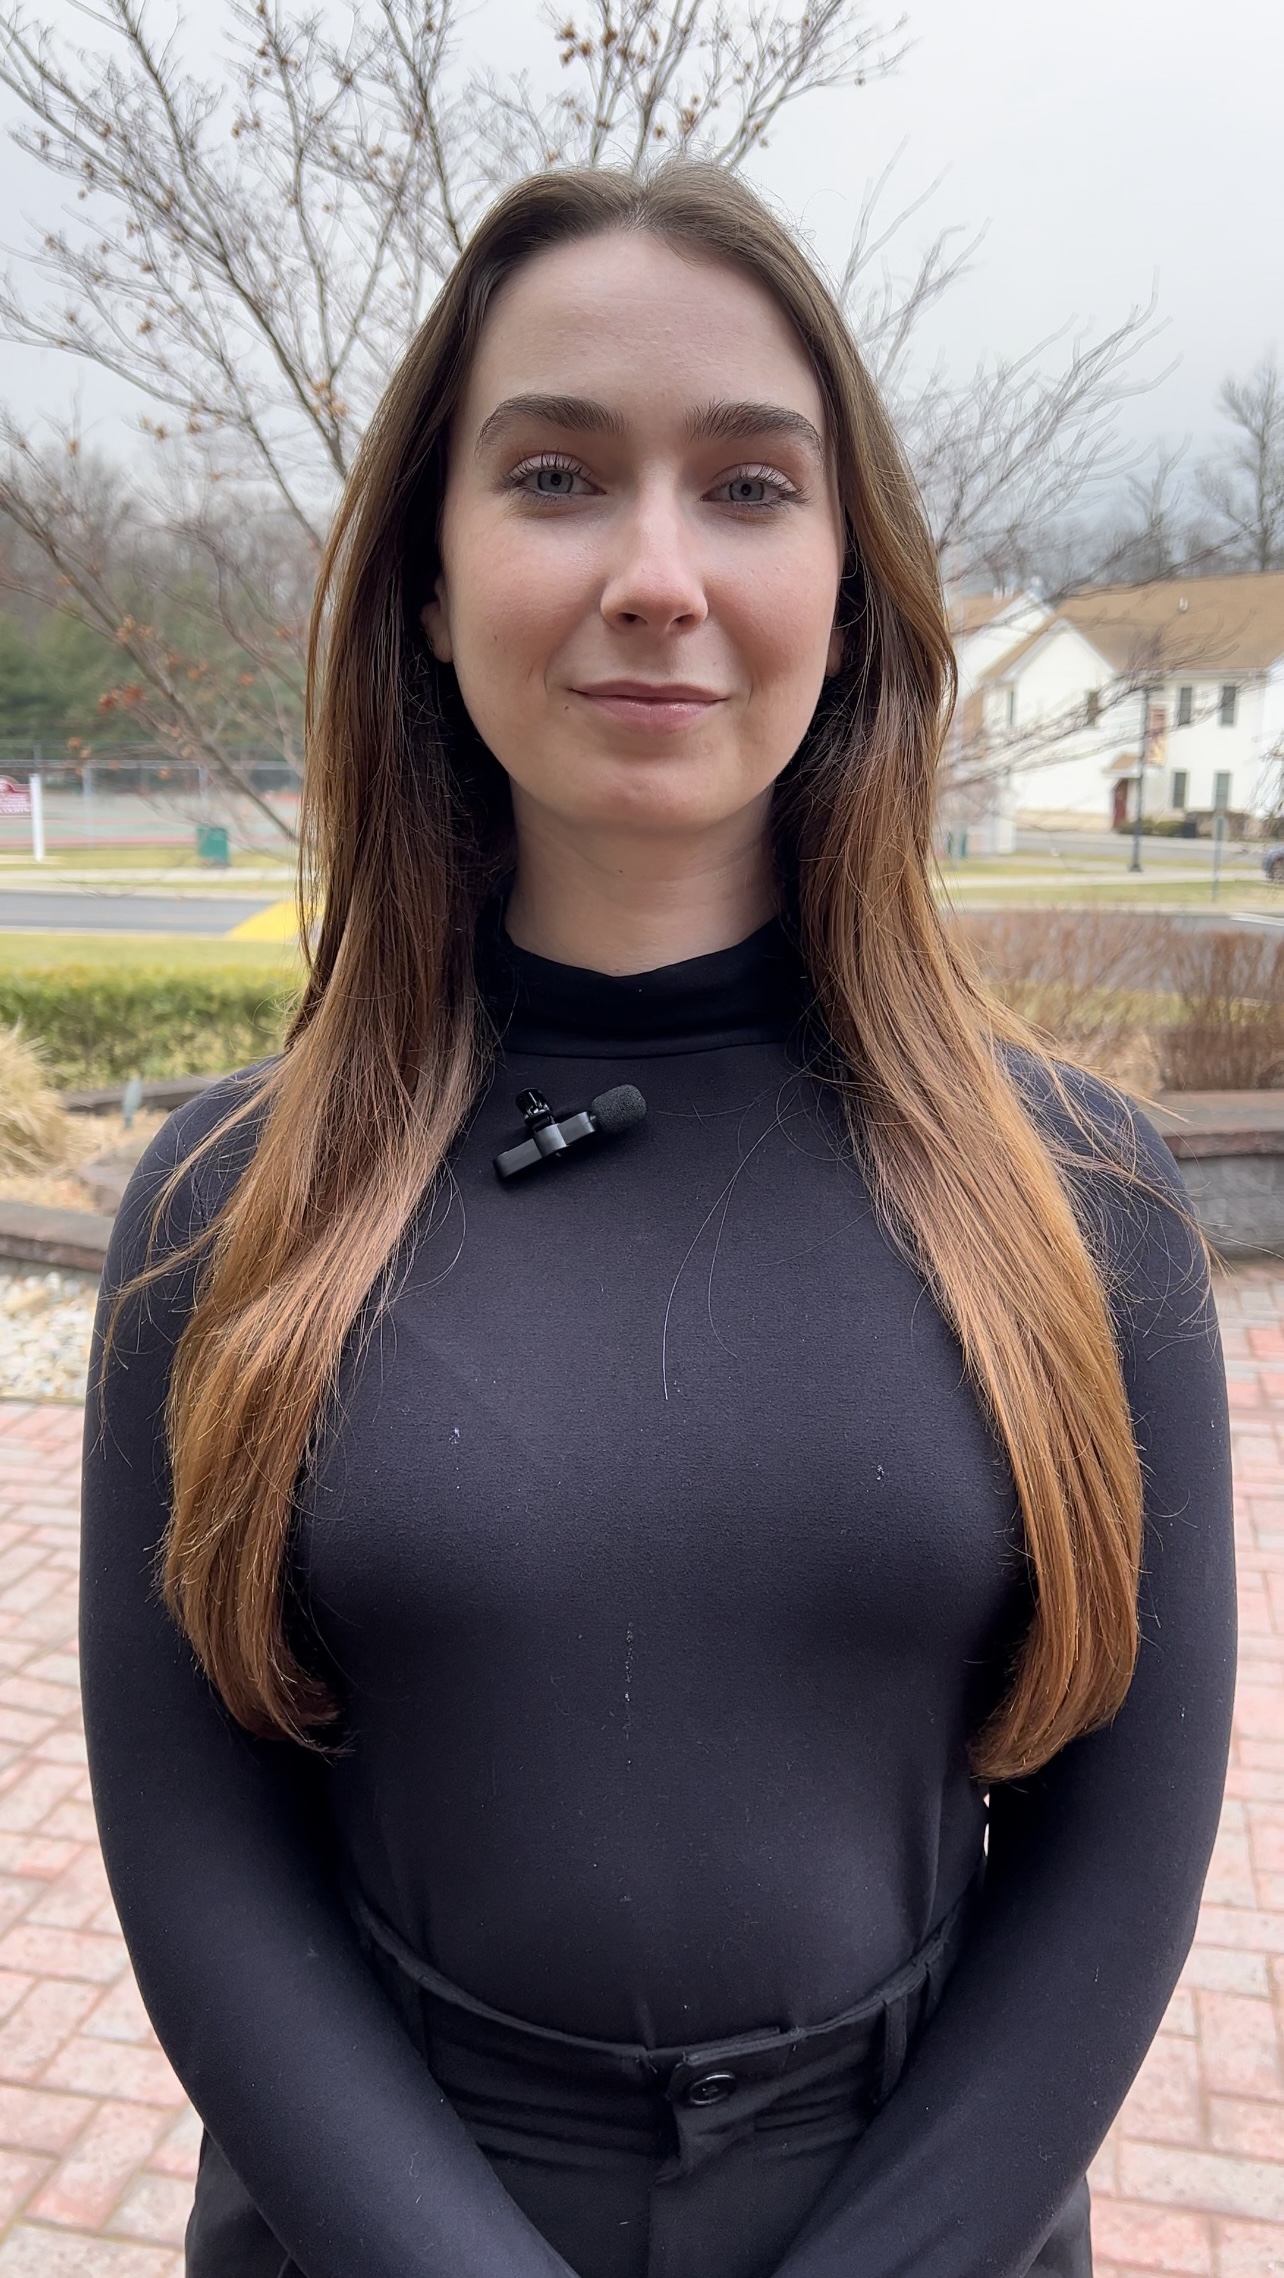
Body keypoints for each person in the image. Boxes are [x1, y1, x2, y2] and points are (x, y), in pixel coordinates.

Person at [80, 161, 1235, 2278]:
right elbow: (197, 1850)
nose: (654, 571)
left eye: (748, 486)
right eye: (553, 473)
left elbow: (1119, 1860)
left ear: (853, 583)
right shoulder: (223, 1210)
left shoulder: (1084, 1204)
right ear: (428, 578)